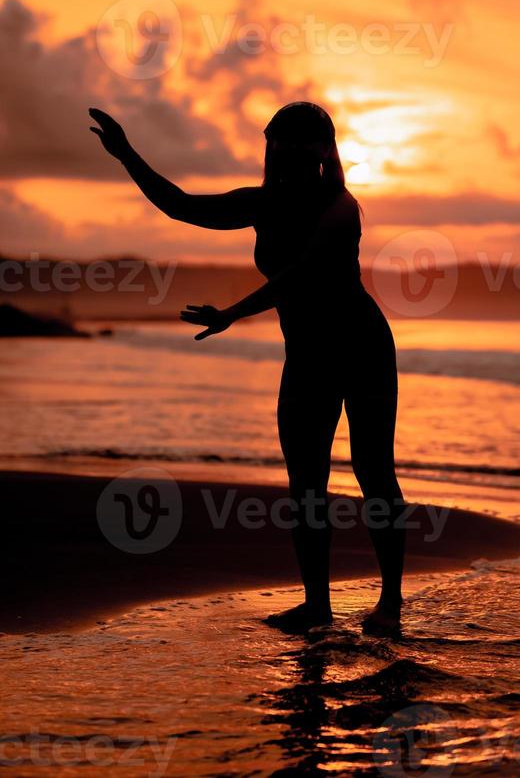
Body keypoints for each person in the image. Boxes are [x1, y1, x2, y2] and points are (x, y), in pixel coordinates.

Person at [89, 102, 405, 633]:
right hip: (306, 355)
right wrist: (126, 154)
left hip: (360, 346)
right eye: (282, 139)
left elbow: (303, 275)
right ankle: (318, 606)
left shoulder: (341, 206)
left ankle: (391, 604)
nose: (292, 150)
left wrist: (233, 313)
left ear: (326, 150)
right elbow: (181, 207)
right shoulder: (263, 202)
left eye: (306, 141)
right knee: (306, 483)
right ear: (269, 145)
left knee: (373, 472)